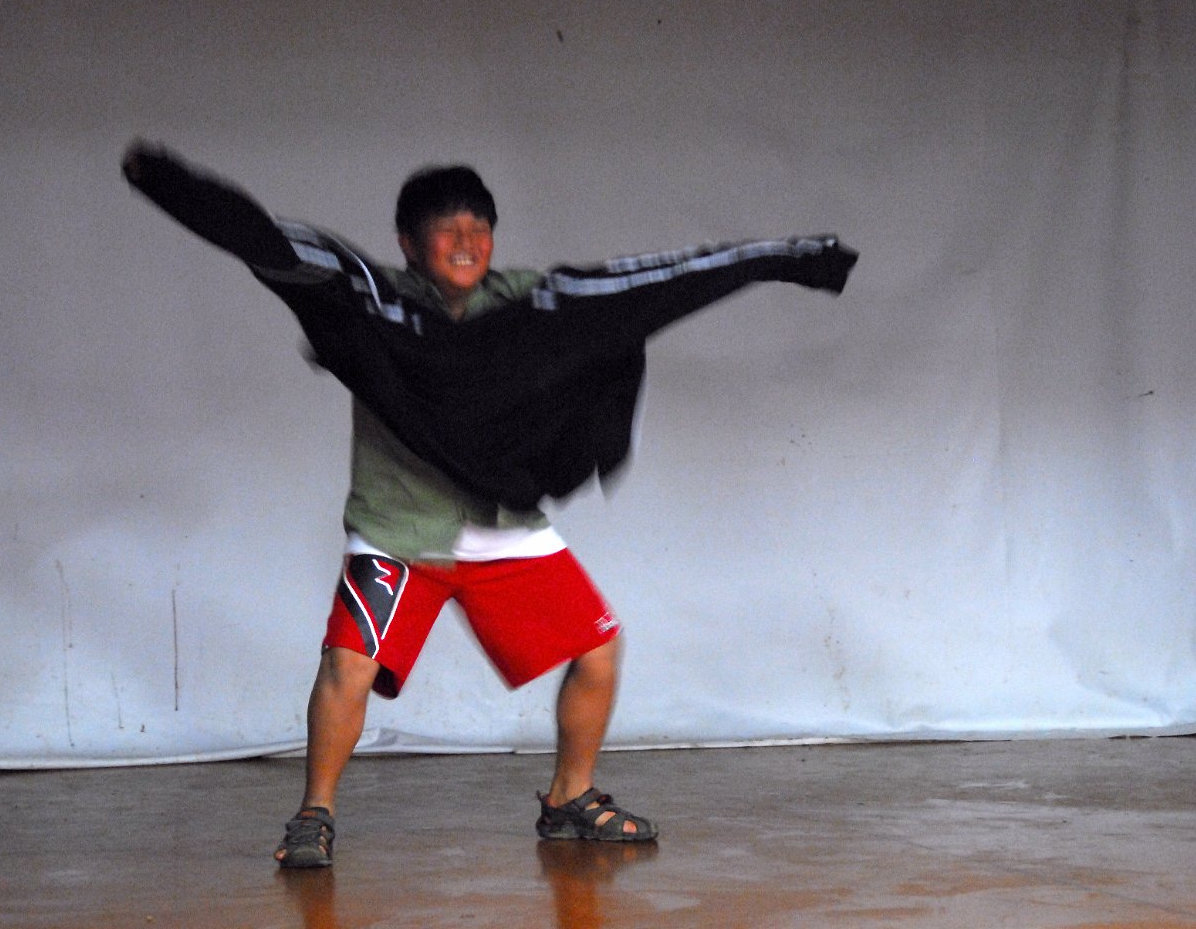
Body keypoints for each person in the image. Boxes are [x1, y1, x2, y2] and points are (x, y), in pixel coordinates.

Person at [121, 140, 856, 867]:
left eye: (480, 227)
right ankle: (314, 814)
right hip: (398, 531)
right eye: (447, 228)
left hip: (502, 529)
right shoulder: (371, 302)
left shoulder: (532, 305)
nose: (467, 241)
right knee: (348, 668)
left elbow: (649, 285)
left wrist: (781, 260)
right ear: (409, 243)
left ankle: (569, 798)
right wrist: (183, 193)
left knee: (599, 653)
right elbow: (275, 245)